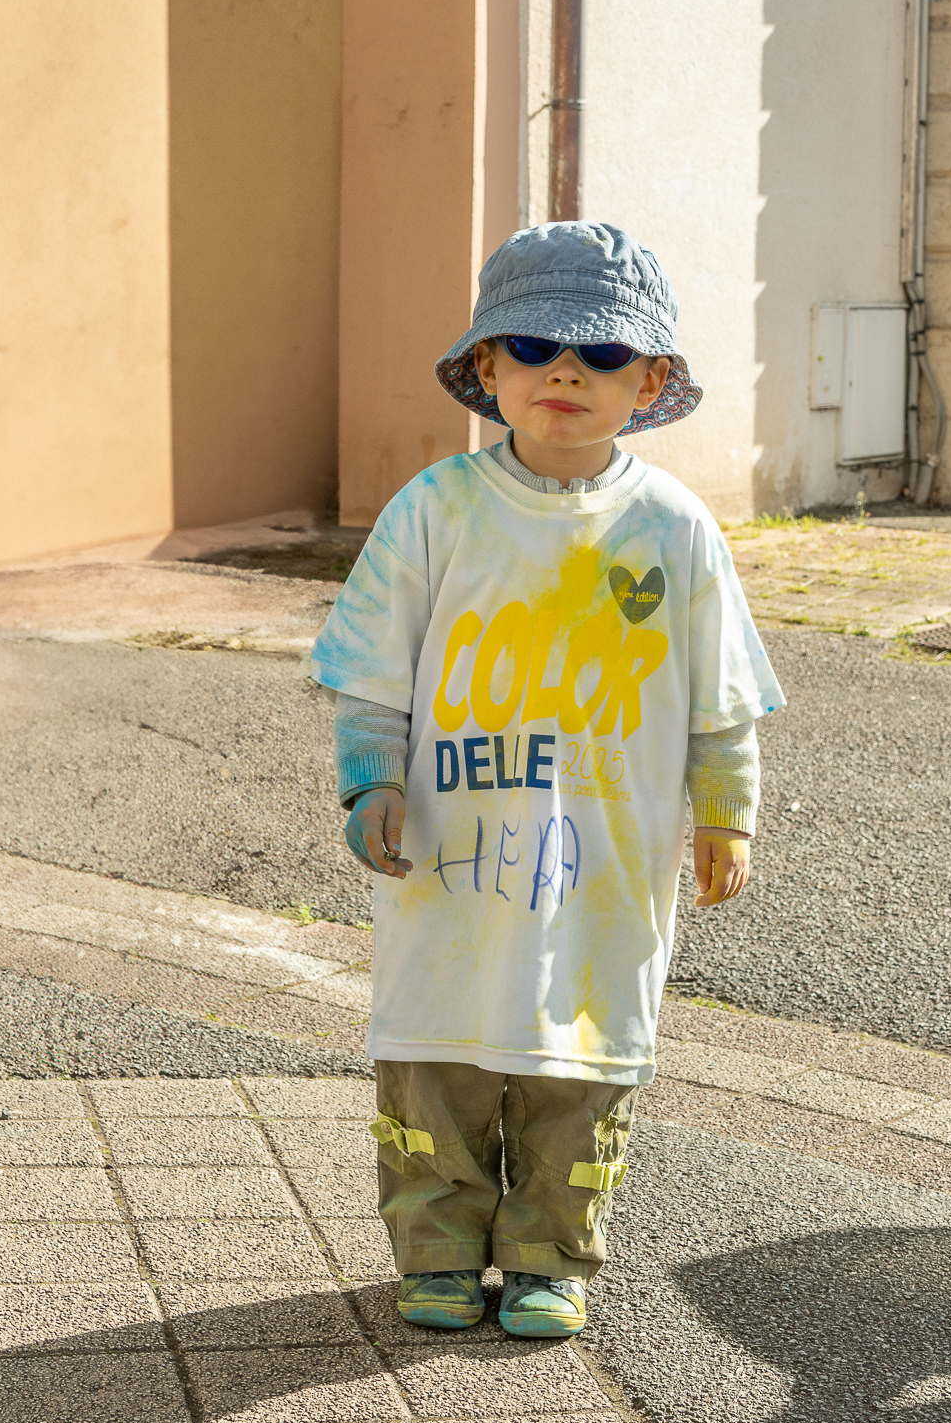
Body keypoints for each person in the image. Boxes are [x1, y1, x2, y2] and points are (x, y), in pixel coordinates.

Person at [310, 221, 785, 1338]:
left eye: (601, 354)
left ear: (649, 382)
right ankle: (437, 1249)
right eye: (531, 346)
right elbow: (373, 670)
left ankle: (547, 1256)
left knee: (581, 1059)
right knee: (436, 1054)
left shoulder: (672, 526)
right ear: (487, 367)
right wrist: (371, 780)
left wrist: (725, 813)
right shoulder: (438, 509)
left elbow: (721, 697)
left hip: (603, 871)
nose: (563, 372)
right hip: (448, 860)